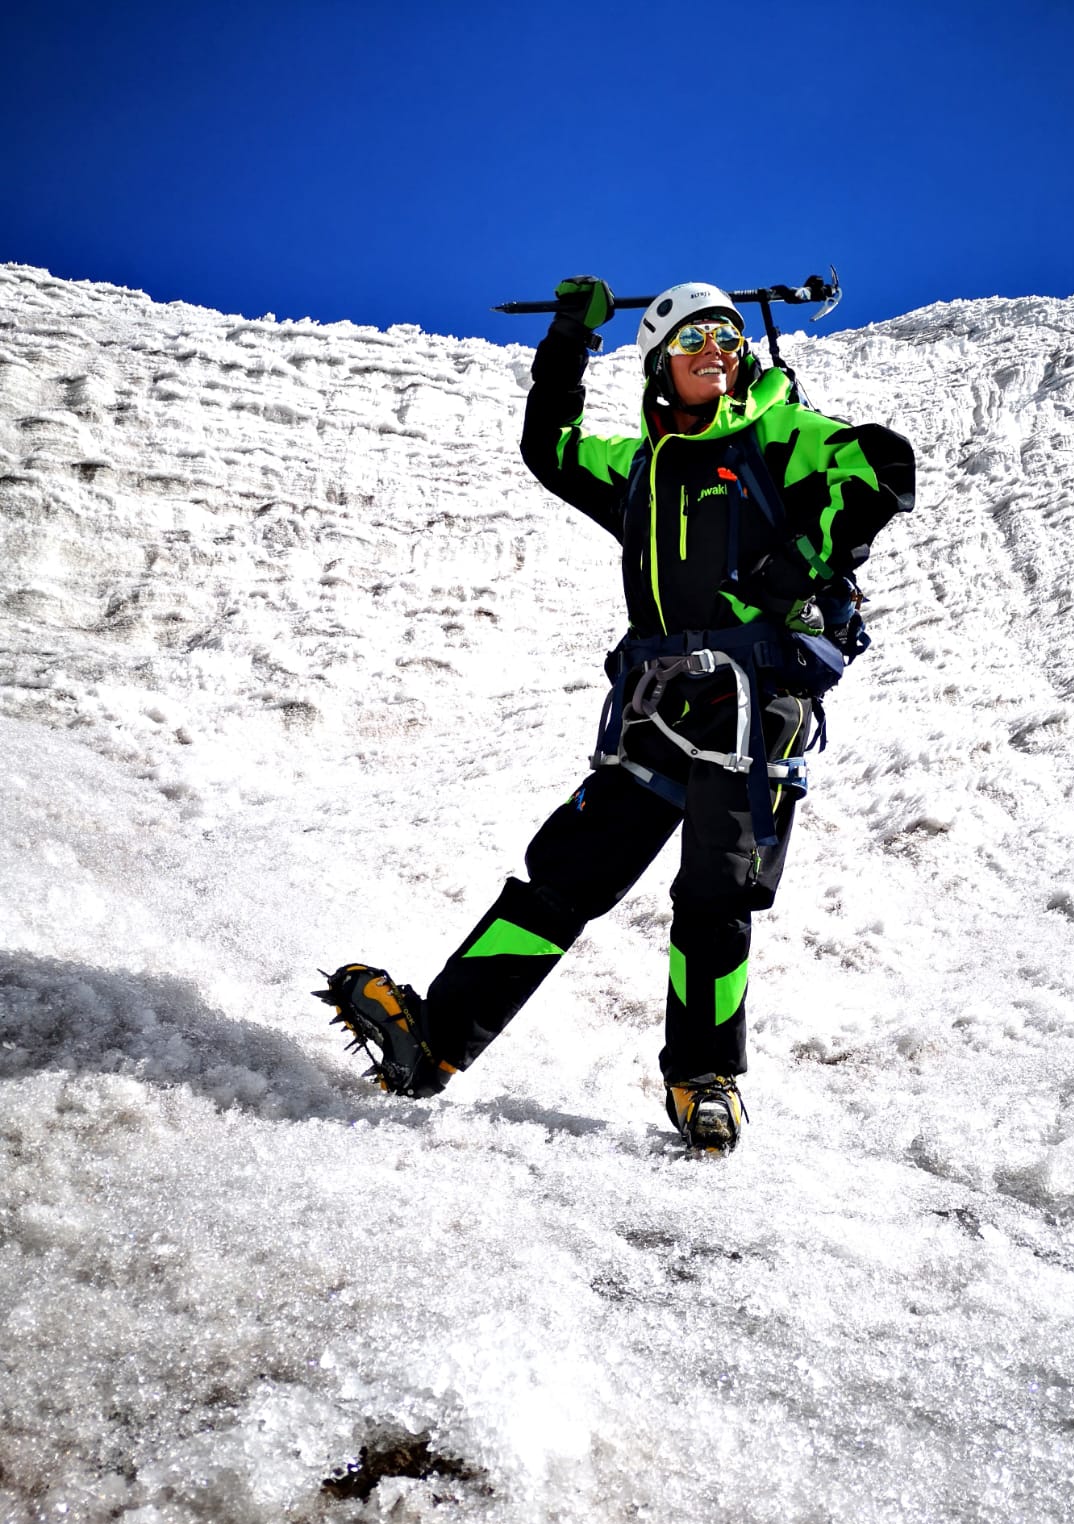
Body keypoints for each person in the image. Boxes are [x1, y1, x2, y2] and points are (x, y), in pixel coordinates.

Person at [319, 276, 915, 1151]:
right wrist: (568, 339)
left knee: (715, 901)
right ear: (659, 366)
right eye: (695, 340)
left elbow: (882, 464)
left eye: (728, 335)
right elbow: (550, 448)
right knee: (561, 877)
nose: (719, 348)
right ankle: (433, 1045)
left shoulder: (778, 434)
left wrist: (799, 567)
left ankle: (705, 1083)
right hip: (660, 707)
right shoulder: (637, 468)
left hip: (753, 716)